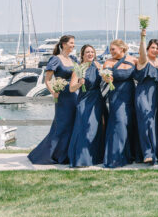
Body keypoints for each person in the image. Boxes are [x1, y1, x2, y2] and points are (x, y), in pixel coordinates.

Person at [28, 35, 79, 165]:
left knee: (72, 124)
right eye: (71, 43)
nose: (73, 45)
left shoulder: (73, 59)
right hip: (62, 96)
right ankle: (54, 154)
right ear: (63, 44)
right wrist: (53, 93)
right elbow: (47, 80)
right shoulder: (55, 59)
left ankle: (68, 153)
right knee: (62, 125)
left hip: (74, 95)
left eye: (74, 43)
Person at [102, 39, 138, 168]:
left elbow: (142, 70)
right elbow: (105, 75)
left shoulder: (133, 60)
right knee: (119, 122)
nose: (111, 52)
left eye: (113, 49)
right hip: (116, 96)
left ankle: (130, 155)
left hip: (131, 95)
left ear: (121, 49)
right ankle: (116, 156)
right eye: (110, 49)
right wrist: (107, 77)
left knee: (130, 122)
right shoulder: (109, 62)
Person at [68, 44, 105, 167]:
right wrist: (79, 83)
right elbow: (71, 89)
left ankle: (95, 157)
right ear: (82, 55)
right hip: (84, 99)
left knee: (96, 128)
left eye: (92, 52)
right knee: (84, 127)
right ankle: (81, 159)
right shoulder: (78, 68)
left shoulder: (98, 66)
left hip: (97, 99)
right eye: (87, 52)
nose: (90, 54)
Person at [134, 29, 158, 164]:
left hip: (156, 95)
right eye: (152, 47)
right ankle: (147, 152)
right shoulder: (143, 60)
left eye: (157, 48)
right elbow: (142, 52)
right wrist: (142, 37)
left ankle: (155, 152)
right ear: (147, 49)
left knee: (155, 122)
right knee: (146, 121)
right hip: (143, 94)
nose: (155, 50)